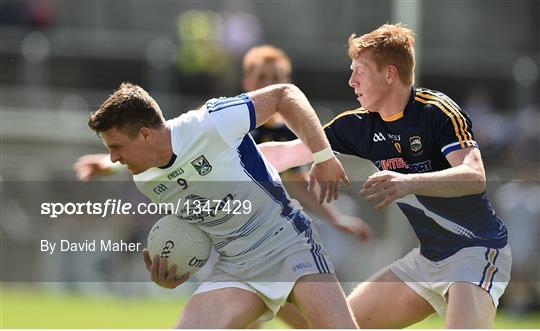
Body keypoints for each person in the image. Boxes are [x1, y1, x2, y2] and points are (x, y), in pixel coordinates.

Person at [258, 23, 511, 328]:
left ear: (390, 74)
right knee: (337, 325)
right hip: (427, 260)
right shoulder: (357, 126)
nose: (351, 81)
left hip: (477, 252)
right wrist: (206, 147)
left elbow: (474, 176)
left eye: (359, 72)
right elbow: (282, 154)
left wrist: (407, 182)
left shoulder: (437, 112)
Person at [86, 82, 357, 328]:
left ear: (145, 135)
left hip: (288, 245)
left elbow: (284, 94)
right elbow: (197, 229)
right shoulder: (145, 180)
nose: (112, 158)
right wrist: (175, 266)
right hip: (236, 266)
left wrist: (323, 156)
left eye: (117, 146)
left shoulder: (211, 122)